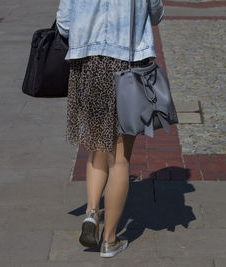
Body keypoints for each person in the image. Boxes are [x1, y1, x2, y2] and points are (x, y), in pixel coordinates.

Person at [56, 0, 164, 258]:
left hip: (90, 65)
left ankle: (92, 212)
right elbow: (156, 13)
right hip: (128, 65)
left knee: (96, 146)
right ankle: (110, 239)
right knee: (120, 158)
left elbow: (64, 22)